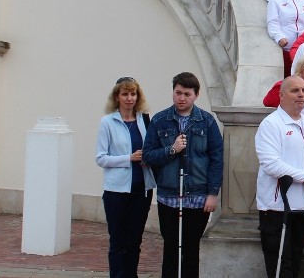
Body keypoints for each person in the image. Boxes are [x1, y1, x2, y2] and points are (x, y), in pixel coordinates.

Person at [142, 72, 223, 278]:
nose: (182, 98)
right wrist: (172, 149)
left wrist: (212, 193)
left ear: (196, 95)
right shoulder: (160, 120)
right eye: (178, 93)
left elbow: (216, 159)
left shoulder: (207, 121)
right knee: (170, 246)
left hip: (198, 196)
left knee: (191, 247)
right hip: (169, 195)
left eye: (187, 94)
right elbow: (148, 155)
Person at [256, 75, 304, 278]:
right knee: (280, 265)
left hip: (303, 207)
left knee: (295, 262)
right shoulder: (270, 124)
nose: (301, 95)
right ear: (281, 95)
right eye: (295, 91)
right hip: (277, 207)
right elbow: (271, 164)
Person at [95, 77, 157, 278]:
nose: (129, 98)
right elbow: (101, 158)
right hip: (116, 191)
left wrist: (148, 159)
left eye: (133, 94)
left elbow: (151, 149)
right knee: (118, 240)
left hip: (142, 188)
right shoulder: (108, 122)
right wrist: (128, 158)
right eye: (125, 94)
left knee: (135, 240)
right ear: (117, 97)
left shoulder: (144, 119)